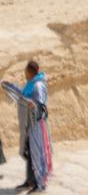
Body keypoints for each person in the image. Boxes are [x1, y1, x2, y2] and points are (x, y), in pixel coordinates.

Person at [3, 60, 50, 193]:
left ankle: (39, 184)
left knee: (36, 153)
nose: (24, 73)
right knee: (29, 152)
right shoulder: (31, 84)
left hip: (37, 125)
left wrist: (32, 104)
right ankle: (30, 180)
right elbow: (24, 94)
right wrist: (9, 85)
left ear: (30, 72)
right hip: (30, 124)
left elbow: (40, 105)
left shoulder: (38, 85)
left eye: (25, 71)